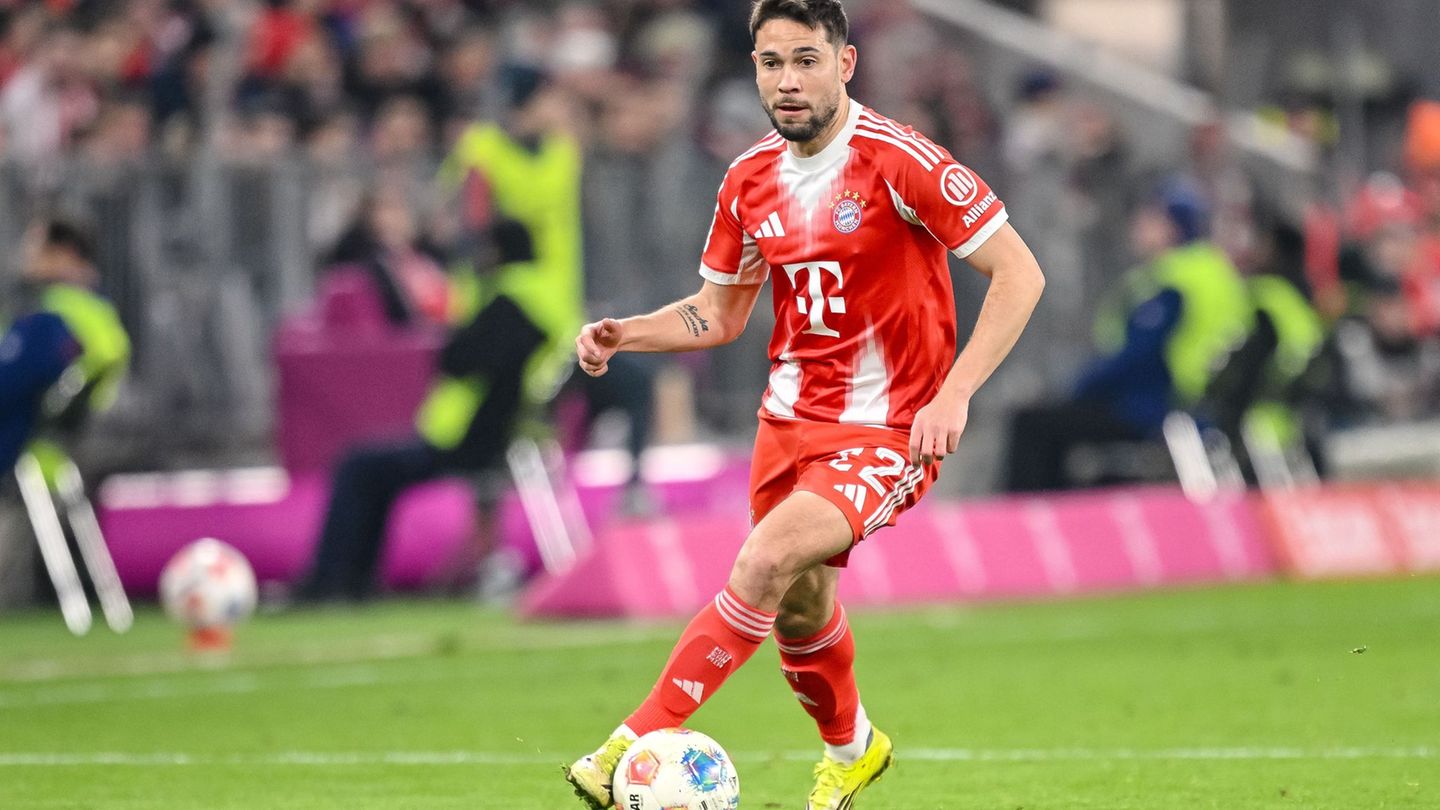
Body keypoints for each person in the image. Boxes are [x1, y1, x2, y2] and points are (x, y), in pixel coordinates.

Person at [564, 2, 1046, 808]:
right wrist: (628, 336)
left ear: (845, 64)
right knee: (798, 608)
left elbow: (1020, 272)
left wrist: (954, 393)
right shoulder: (748, 178)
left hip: (890, 428)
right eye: (770, 63)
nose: (787, 81)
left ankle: (626, 745)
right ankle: (855, 749)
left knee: (761, 562)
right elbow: (718, 314)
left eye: (805, 60)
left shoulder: (901, 161)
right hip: (787, 424)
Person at [293, 219, 549, 602]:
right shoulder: (541, 299)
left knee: (357, 466)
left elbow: (457, 359)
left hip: (463, 441)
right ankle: (356, 583)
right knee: (373, 475)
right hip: (492, 440)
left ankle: (330, 581)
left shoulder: (504, 303)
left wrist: (461, 313)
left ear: (497, 252)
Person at [1003, 180, 1251, 492]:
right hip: (1198, 405)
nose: (1138, 226)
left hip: (1155, 406)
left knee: (1031, 425)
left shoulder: (1173, 282)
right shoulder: (1214, 272)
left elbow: (1137, 357)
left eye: (1149, 218)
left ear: (1171, 227)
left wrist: (1077, 390)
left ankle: (1030, 521)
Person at [0, 219, 130, 607]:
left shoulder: (51, 316)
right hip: (61, 442)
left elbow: (13, 381)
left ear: (65, 255)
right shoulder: (96, 311)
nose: (25, 257)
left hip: (30, 444)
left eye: (36, 248)